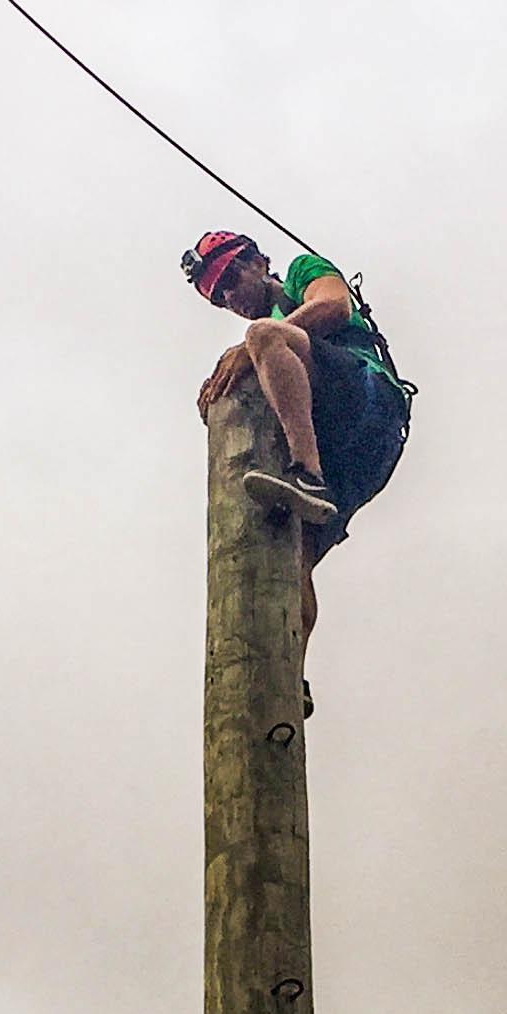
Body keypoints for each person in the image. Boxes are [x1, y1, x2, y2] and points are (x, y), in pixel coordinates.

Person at [186, 231, 411, 715]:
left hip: (370, 403)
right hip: (354, 459)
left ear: (258, 261)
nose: (229, 297)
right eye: (217, 295)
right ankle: (291, 677)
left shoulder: (301, 273)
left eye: (230, 278)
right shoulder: (272, 347)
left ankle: (304, 473)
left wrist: (256, 346)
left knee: (264, 336)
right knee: (293, 561)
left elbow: (335, 307)